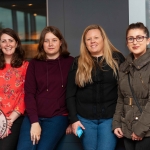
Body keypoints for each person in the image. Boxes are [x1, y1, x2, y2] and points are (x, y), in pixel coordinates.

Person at [66, 24, 125, 150]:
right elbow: (70, 94)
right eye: (88, 39)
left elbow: (125, 90)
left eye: (96, 37)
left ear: (103, 39)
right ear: (85, 43)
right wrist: (74, 120)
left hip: (110, 118)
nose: (92, 41)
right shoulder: (77, 62)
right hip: (84, 119)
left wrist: (121, 119)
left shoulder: (117, 59)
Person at [17, 26, 74, 150]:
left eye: (54, 40)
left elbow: (75, 94)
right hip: (34, 115)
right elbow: (29, 94)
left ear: (60, 42)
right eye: (46, 40)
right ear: (42, 44)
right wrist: (34, 122)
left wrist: (72, 120)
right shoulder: (34, 64)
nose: (50, 44)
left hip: (58, 117)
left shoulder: (71, 62)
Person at [113, 22, 150, 150]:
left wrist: (140, 129)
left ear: (148, 40)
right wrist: (116, 123)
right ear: (127, 42)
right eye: (131, 38)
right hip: (127, 129)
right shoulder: (124, 67)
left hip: (147, 131)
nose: (135, 42)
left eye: (140, 37)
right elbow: (120, 99)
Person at [0, 28, 29, 150]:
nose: (7, 44)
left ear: (16, 43)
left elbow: (26, 94)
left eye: (11, 41)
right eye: (3, 41)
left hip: (15, 118)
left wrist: (9, 120)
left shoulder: (25, 67)